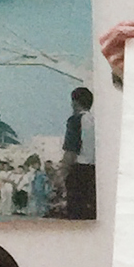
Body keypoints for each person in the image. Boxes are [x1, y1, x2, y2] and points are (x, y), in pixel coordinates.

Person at [57, 88, 94, 220]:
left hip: (79, 171)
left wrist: (62, 173)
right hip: (94, 171)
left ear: (75, 102)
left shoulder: (75, 120)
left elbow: (71, 150)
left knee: (76, 213)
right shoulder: (95, 121)